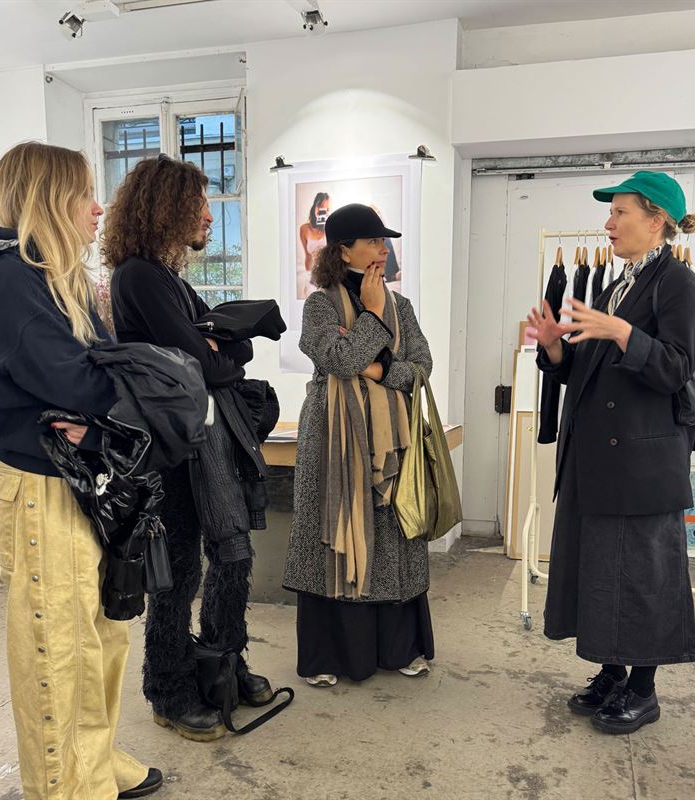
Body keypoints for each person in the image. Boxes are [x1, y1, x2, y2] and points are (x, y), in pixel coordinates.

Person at [0, 141, 162, 799]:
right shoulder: (12, 281)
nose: (99, 209)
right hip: (44, 484)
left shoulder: (55, 278)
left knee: (102, 634)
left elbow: (103, 376)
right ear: (50, 198)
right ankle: (63, 785)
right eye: (85, 194)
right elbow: (83, 383)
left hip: (81, 476)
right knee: (59, 642)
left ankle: (93, 761)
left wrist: (113, 399)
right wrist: (134, 389)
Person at [527, 171, 695, 735]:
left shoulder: (677, 283)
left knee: (642, 578)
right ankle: (612, 672)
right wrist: (555, 350)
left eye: (620, 212)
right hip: (599, 461)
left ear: (656, 221)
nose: (608, 223)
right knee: (601, 571)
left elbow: (678, 368)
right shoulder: (616, 288)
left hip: (641, 465)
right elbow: (586, 373)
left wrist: (623, 333)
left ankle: (644, 689)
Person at [103, 155, 273, 742]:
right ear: (167, 208)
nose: (207, 215)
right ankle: (169, 689)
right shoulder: (138, 277)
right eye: (199, 205)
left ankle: (223, 662)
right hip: (169, 448)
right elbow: (208, 363)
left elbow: (230, 347)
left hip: (201, 440)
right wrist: (219, 351)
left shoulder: (167, 277)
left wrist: (222, 350)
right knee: (177, 571)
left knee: (231, 556)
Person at [283, 203, 435, 686]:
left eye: (384, 241)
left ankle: (399, 648)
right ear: (343, 250)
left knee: (393, 535)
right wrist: (370, 315)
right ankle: (330, 656)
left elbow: (422, 366)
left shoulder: (401, 306)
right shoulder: (320, 305)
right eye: (372, 241)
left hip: (393, 440)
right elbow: (339, 359)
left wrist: (381, 369)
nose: (382, 249)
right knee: (333, 536)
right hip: (332, 440)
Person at [300, 191, 330, 272]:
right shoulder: (304, 229)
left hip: (328, 271)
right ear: (315, 207)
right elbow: (307, 256)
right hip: (312, 271)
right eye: (320, 207)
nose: (323, 211)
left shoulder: (330, 228)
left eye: (327, 209)